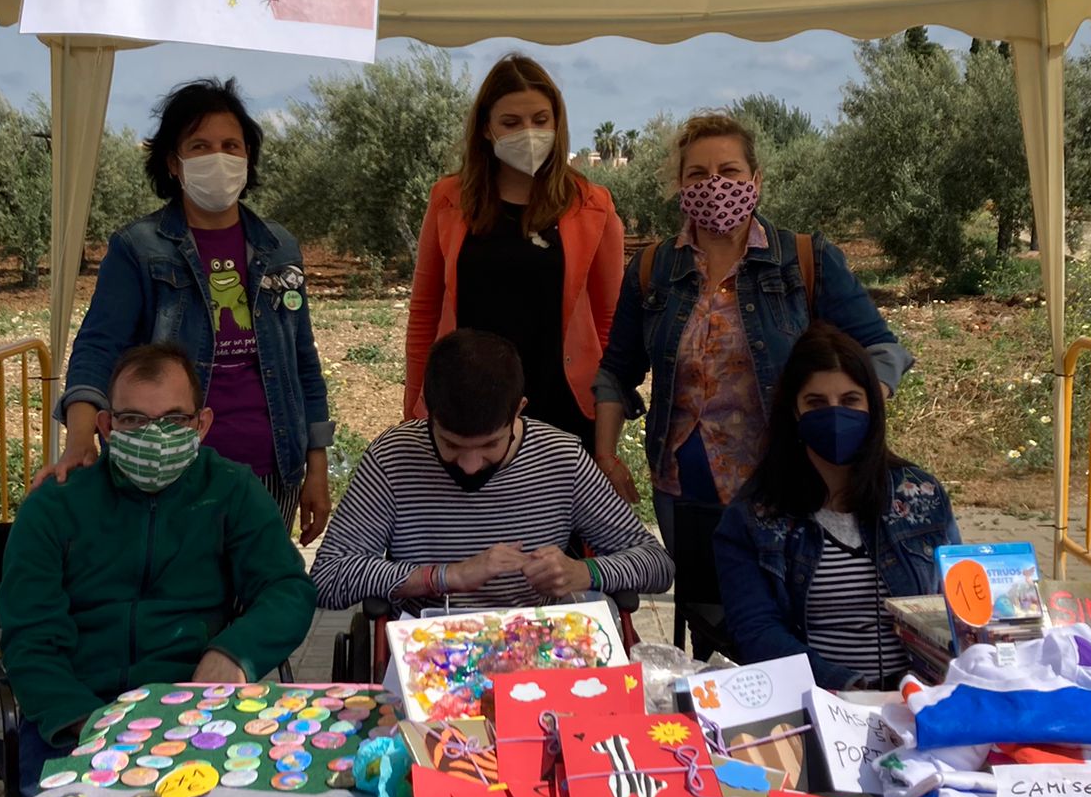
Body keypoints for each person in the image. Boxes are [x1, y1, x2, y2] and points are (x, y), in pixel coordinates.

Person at [592, 110, 912, 648]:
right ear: (679, 186)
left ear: (756, 181)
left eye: (730, 170)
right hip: (684, 489)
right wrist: (605, 455)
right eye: (698, 174)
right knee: (710, 624)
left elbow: (880, 350)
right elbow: (617, 371)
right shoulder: (653, 271)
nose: (715, 186)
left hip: (787, 482)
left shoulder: (804, 261)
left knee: (786, 619)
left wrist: (845, 419)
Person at [0, 342, 315, 791]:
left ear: (201, 424)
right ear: (106, 426)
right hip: (76, 726)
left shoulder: (230, 491)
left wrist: (235, 653)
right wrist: (85, 721)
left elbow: (288, 588)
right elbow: (29, 636)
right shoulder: (54, 506)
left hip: (200, 716)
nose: (155, 436)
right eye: (133, 420)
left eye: (173, 420)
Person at [39, 77, 332, 543]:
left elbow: (303, 363)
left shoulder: (279, 248)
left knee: (255, 600)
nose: (218, 157)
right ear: (174, 163)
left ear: (247, 157)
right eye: (200, 146)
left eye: (230, 145)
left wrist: (316, 467)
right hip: (168, 468)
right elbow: (98, 346)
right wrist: (79, 441)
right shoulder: (138, 248)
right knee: (181, 600)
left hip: (272, 469)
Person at [315, 329, 673, 611]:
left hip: (539, 648)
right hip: (425, 646)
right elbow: (328, 578)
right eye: (452, 445)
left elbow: (656, 565)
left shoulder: (561, 458)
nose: (470, 467)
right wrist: (445, 577)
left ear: (520, 409)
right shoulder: (392, 457)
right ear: (427, 409)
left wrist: (585, 572)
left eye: (489, 446)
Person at [715, 324, 958, 690]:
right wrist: (849, 687)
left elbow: (960, 603)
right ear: (795, 412)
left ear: (872, 406)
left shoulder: (922, 495)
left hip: (926, 696)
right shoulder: (753, 518)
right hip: (824, 699)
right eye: (816, 403)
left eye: (849, 401)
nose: (834, 414)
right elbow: (758, 632)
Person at [405, 53, 625, 448]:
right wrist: (414, 414)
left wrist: (607, 429)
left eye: (540, 120)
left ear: (557, 123)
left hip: (565, 411)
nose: (528, 132)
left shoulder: (592, 205)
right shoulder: (450, 200)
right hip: (464, 414)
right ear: (487, 129)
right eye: (511, 122)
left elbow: (609, 322)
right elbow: (424, 313)